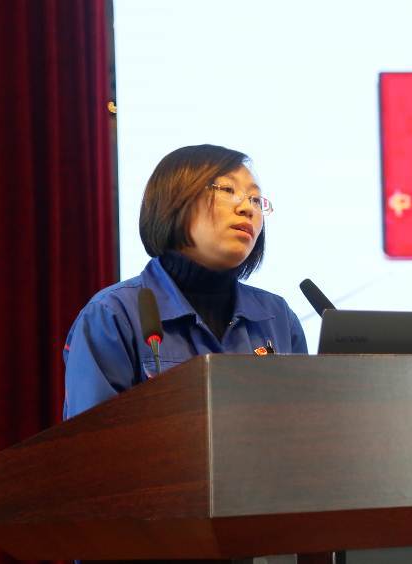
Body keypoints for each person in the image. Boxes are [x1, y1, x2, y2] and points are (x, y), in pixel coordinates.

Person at [63, 144, 308, 419]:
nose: (247, 208)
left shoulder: (277, 318)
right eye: (228, 190)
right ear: (175, 200)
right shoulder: (114, 315)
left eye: (255, 199)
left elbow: (304, 427)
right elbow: (92, 440)